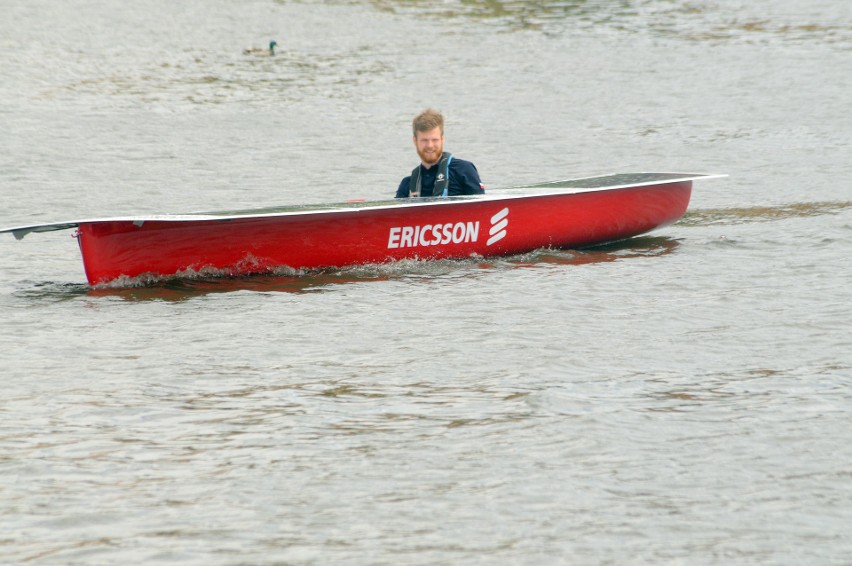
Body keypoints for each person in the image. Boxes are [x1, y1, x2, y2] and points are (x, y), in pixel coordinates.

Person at [395, 108, 485, 198]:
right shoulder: (407, 185)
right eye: (424, 140)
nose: (430, 145)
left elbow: (482, 207)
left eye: (434, 140)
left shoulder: (464, 170)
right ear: (415, 141)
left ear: (442, 139)